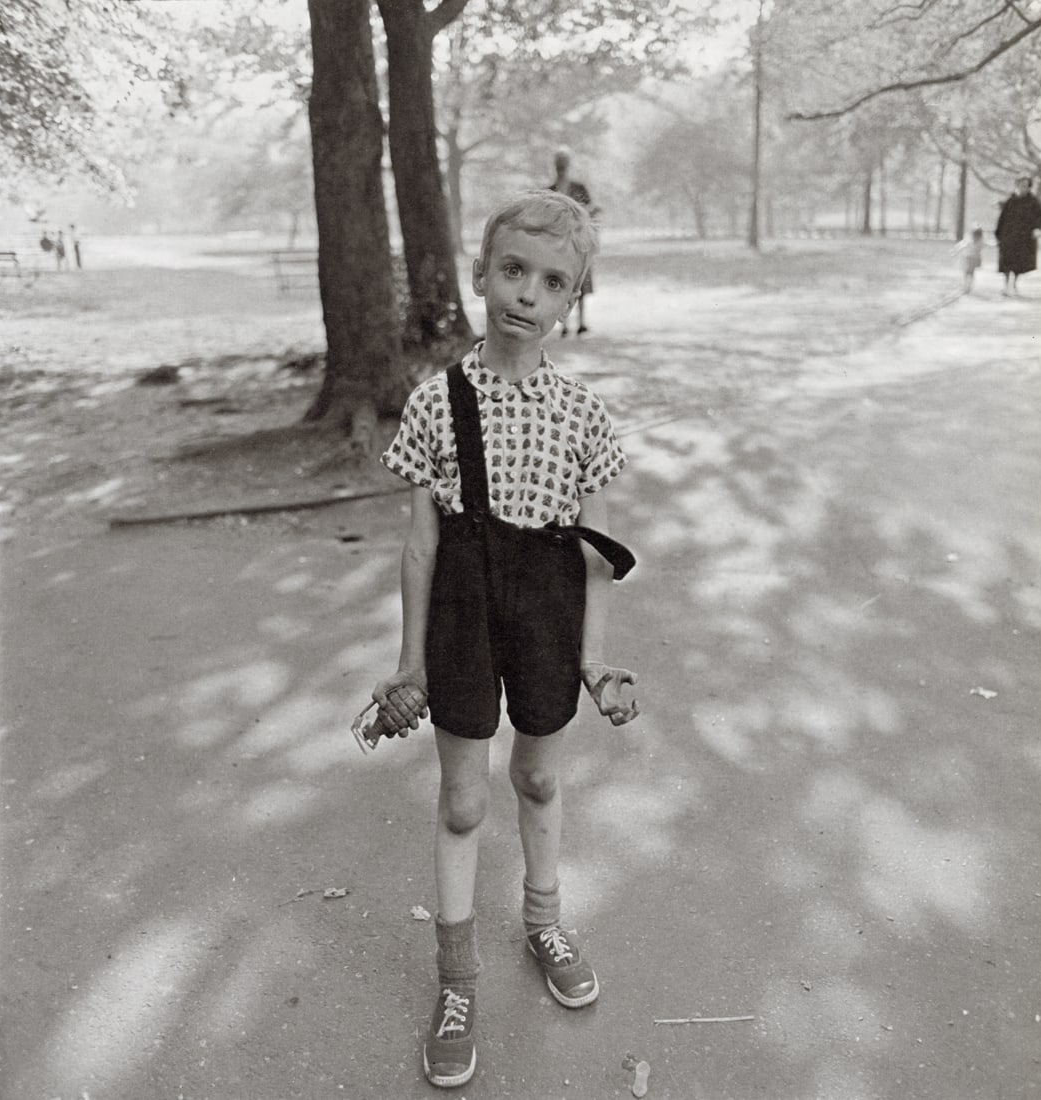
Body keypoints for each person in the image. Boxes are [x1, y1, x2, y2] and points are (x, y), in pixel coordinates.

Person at [355, 189, 639, 1089]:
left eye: (553, 281)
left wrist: (594, 661)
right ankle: (456, 979)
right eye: (512, 270)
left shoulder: (586, 418)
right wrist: (410, 661)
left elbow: (596, 555)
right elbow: (419, 545)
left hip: (550, 613)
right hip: (463, 615)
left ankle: (544, 919)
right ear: (482, 273)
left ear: (572, 301)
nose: (527, 293)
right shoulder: (436, 403)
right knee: (464, 801)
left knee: (540, 776)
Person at [547, 149, 599, 336]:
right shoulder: (550, 191)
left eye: (563, 163)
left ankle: (581, 322)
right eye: (558, 163)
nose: (561, 167)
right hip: (559, 245)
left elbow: (591, 210)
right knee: (561, 283)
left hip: (578, 242)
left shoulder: (579, 188)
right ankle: (564, 325)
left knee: (581, 283)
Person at [995, 177, 1041, 296]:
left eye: (1026, 186)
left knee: (1019, 262)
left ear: (1029, 187)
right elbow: (1002, 218)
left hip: (1024, 237)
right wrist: (998, 233)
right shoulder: (1011, 201)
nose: (1023, 188)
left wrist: (1037, 229)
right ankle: (1006, 285)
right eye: (1021, 185)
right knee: (1006, 260)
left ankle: (1014, 284)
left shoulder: (1033, 202)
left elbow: (1039, 217)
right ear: (1017, 185)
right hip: (1008, 236)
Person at [954, 225, 985, 292]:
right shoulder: (975, 241)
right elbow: (961, 245)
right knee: (970, 273)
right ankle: (968, 286)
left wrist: (956, 250)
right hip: (970, 259)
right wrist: (957, 249)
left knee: (968, 273)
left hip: (970, 259)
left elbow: (961, 245)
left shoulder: (972, 241)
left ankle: (967, 286)